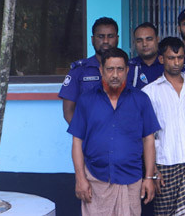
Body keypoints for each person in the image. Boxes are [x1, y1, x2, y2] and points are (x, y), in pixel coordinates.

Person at [68, 47, 160, 216]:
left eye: (120, 69)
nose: (115, 75)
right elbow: (77, 141)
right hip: (95, 180)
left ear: (127, 70)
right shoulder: (86, 100)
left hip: (131, 179)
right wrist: (80, 178)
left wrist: (149, 177)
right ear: (101, 70)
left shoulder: (141, 99)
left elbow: (148, 140)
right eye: (110, 69)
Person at [142, 37, 185, 216]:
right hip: (164, 164)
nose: (176, 62)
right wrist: (153, 171)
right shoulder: (149, 92)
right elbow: (147, 136)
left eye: (180, 57)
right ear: (161, 59)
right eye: (171, 58)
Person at [59, 17, 119, 124]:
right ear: (92, 39)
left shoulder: (128, 69)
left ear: (117, 38)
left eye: (110, 36)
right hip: (89, 133)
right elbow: (68, 111)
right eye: (101, 36)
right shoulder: (79, 70)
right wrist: (83, 132)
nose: (105, 41)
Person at [127, 22, 164, 89]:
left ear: (157, 39)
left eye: (149, 39)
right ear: (134, 43)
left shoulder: (167, 64)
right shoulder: (129, 67)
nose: (144, 44)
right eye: (139, 40)